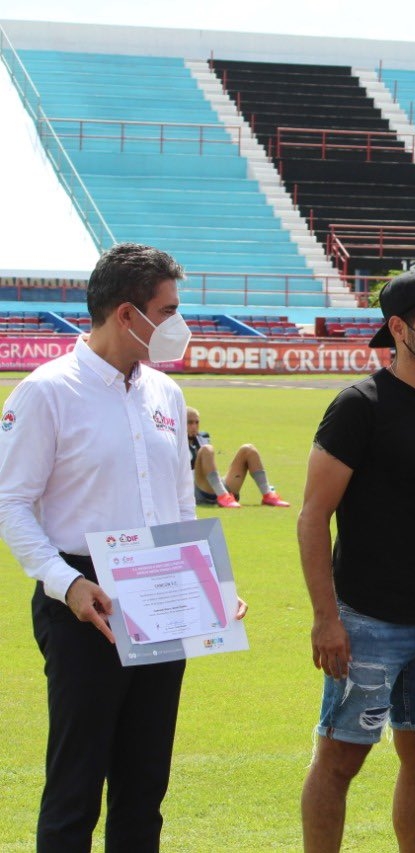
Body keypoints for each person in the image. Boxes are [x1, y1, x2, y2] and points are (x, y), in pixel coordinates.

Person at [0, 242, 246, 851]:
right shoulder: (47, 391)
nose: (179, 325)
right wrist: (68, 584)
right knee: (75, 783)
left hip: (163, 583)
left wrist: (211, 587)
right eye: (168, 310)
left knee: (144, 784)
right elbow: (11, 502)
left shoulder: (164, 394)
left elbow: (179, 502)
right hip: (84, 596)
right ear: (127, 315)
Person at [298, 269, 415, 853]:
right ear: (399, 329)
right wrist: (327, 619)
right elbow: (311, 517)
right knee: (340, 761)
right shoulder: (359, 405)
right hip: (366, 621)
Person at [187, 406, 290, 508]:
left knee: (248, 449)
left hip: (217, 486)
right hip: (198, 491)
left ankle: (268, 494)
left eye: (197, 422)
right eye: (190, 423)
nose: (194, 426)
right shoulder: (176, 442)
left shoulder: (203, 437)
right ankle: (222, 496)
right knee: (207, 449)